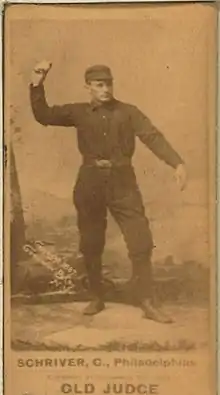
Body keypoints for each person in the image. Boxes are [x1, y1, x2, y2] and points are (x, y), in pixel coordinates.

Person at [29, 61, 187, 323]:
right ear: (88, 87)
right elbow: (43, 115)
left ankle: (147, 301)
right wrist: (37, 83)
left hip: (123, 182)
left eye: (108, 83)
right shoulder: (78, 112)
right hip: (89, 182)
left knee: (140, 239)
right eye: (99, 85)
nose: (105, 89)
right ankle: (96, 296)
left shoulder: (128, 112)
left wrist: (177, 162)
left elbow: (152, 136)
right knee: (91, 242)